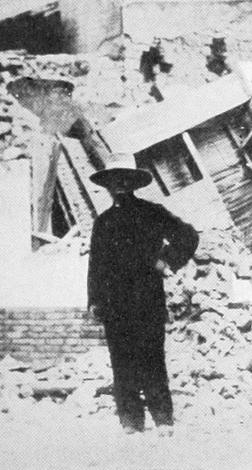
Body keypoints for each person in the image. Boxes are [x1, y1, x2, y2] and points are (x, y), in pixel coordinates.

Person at [87, 152, 199, 435]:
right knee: (121, 361)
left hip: (147, 300)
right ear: (108, 185)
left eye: (125, 179)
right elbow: (96, 265)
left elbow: (188, 236)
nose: (120, 185)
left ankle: (162, 420)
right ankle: (130, 421)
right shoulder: (103, 222)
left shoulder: (153, 212)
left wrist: (166, 260)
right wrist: (94, 299)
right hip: (115, 304)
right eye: (115, 180)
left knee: (152, 359)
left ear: (134, 183)